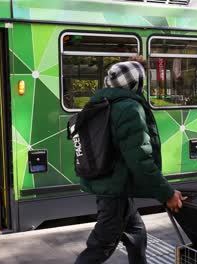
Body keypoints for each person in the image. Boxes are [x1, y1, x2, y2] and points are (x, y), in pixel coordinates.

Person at [75, 56, 186, 264]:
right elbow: (140, 159)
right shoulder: (128, 108)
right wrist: (167, 194)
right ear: (136, 84)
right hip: (115, 190)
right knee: (99, 248)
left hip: (112, 184)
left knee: (136, 234)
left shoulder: (101, 102)